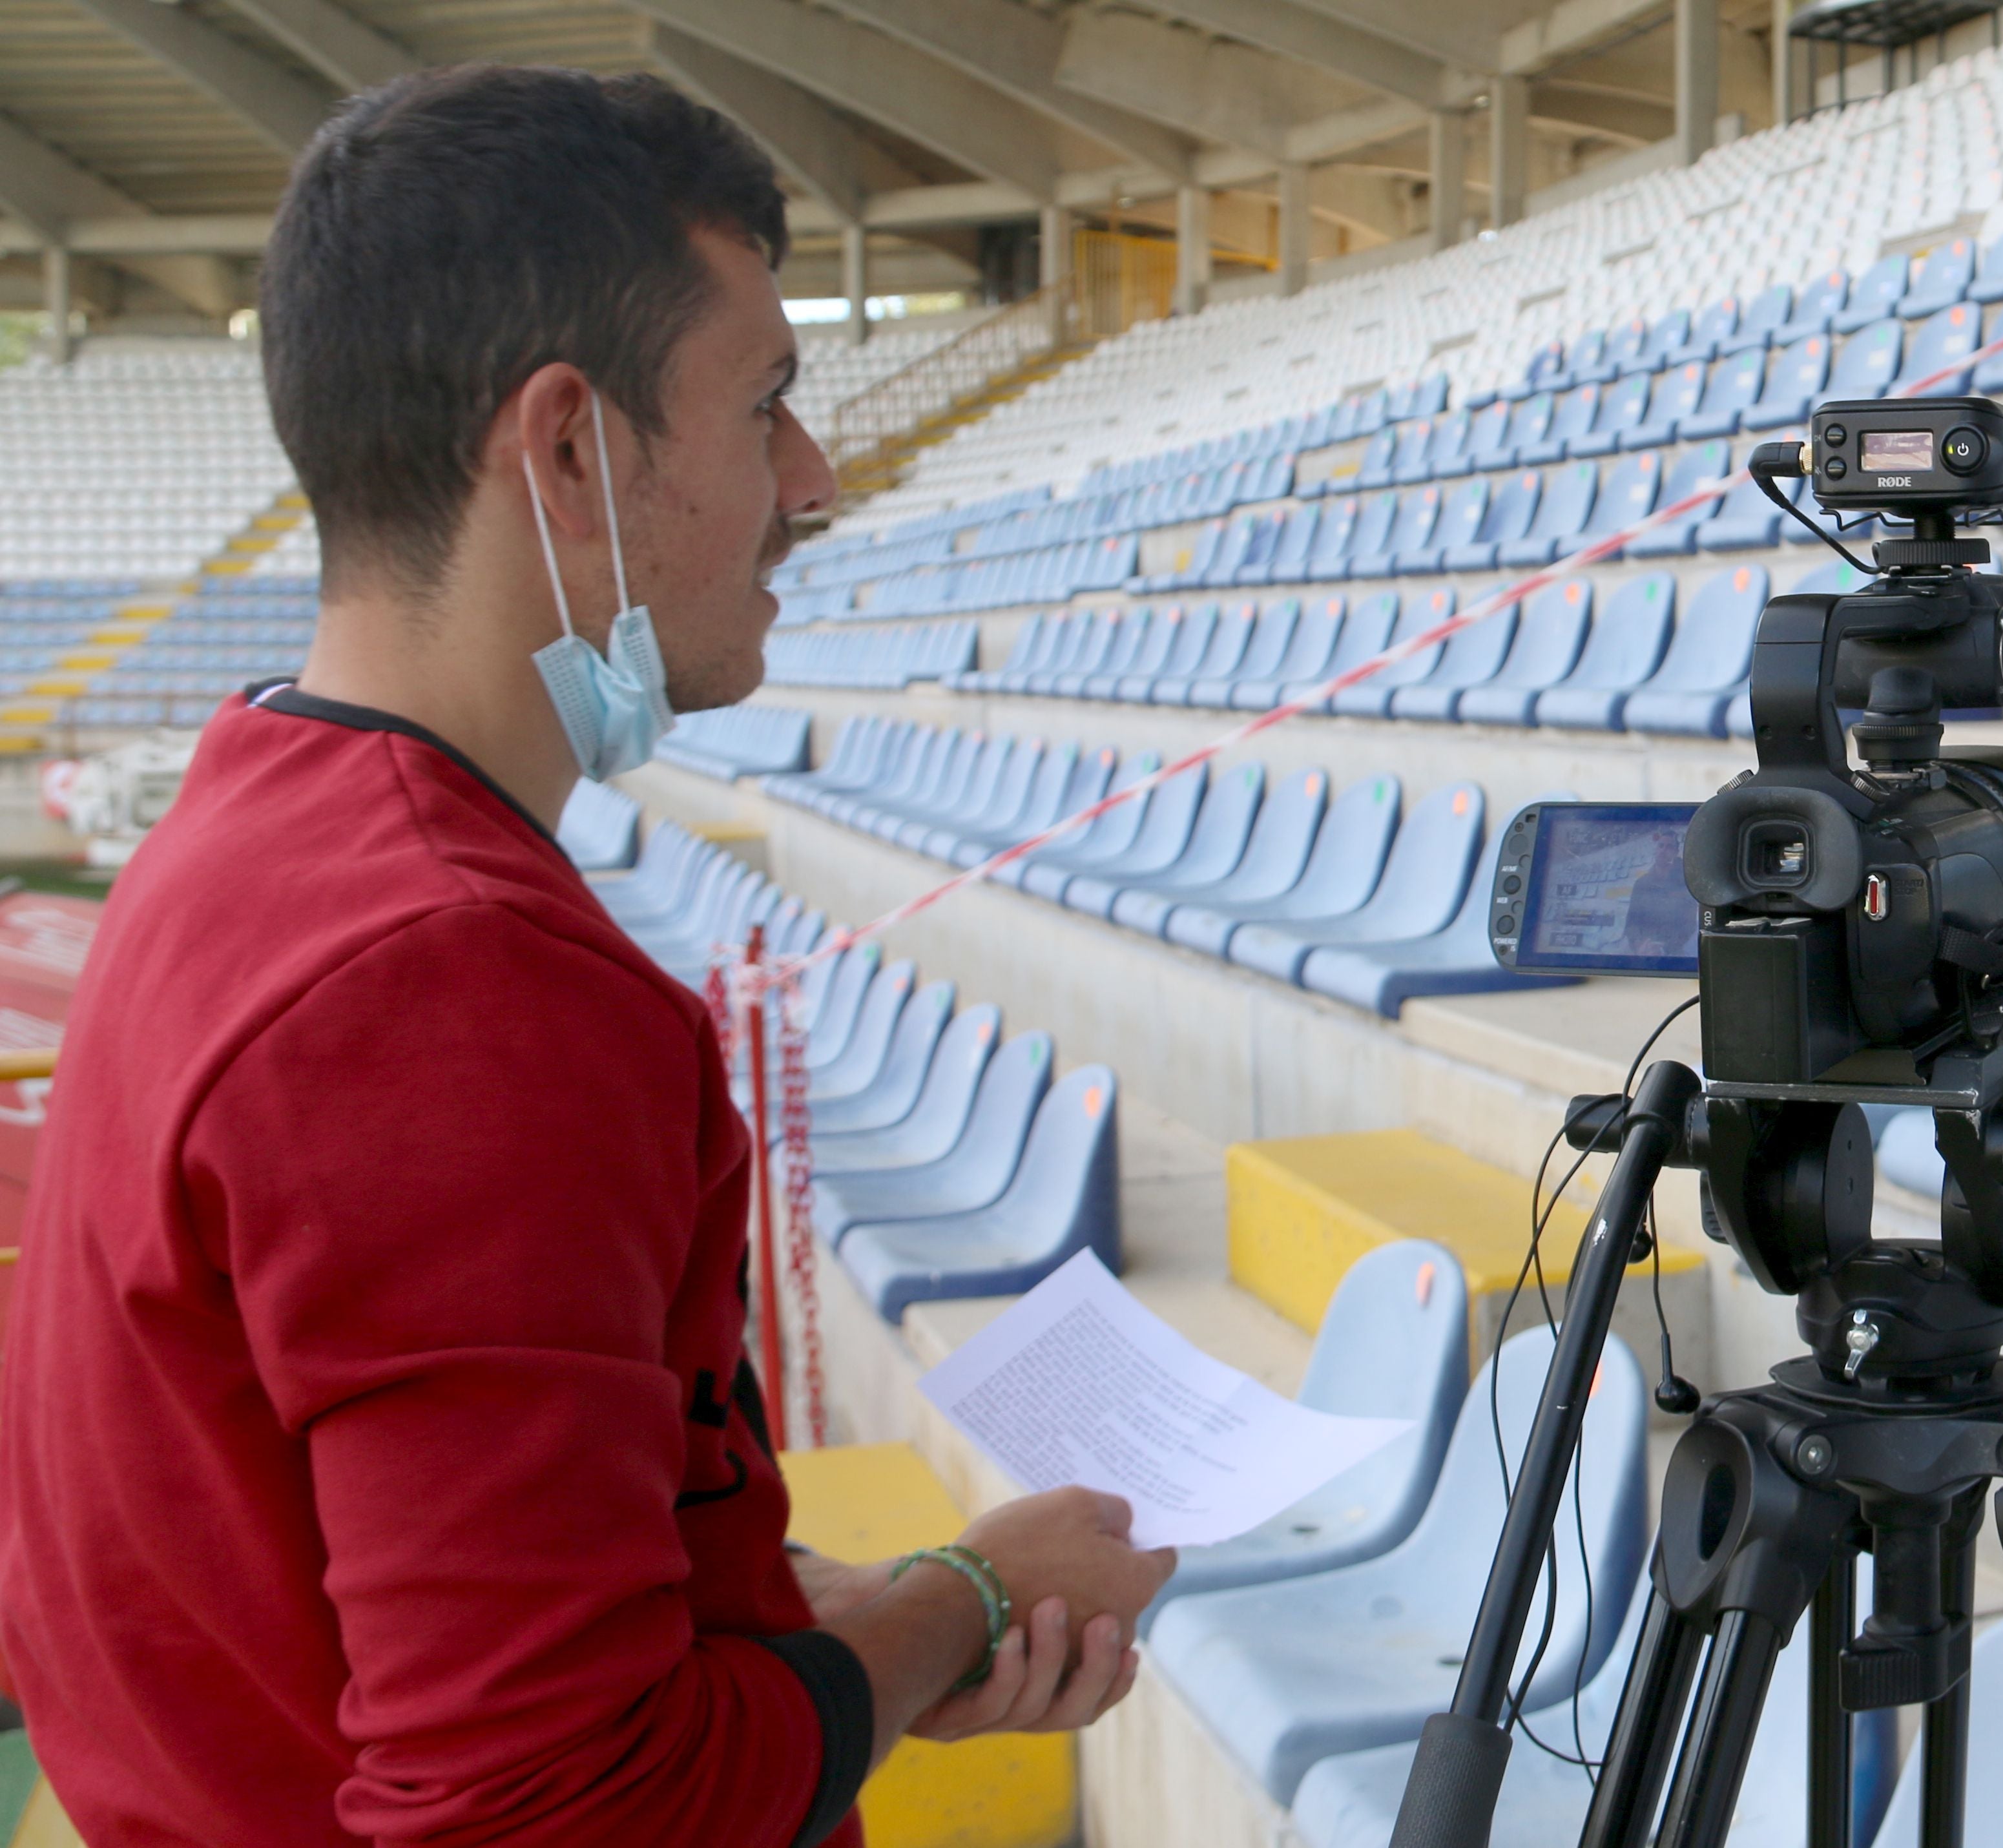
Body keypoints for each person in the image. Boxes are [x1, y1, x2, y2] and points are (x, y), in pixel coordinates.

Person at [0, 66, 1170, 1846]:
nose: (816, 481)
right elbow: (548, 1813)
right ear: (568, 450)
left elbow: (364, 1554)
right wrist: (968, 1605)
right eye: (766, 404)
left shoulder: (248, 838)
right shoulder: (446, 987)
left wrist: (804, 1635)